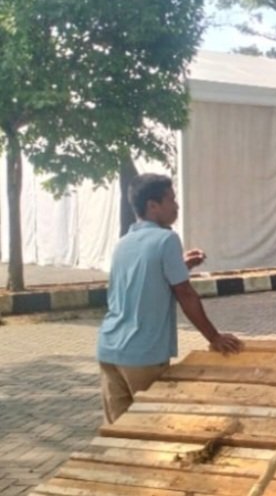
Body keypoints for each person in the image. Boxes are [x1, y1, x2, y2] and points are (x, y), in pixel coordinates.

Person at [97, 174, 244, 423]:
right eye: (171, 200)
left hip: (109, 351)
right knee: (152, 430)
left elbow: (146, 279)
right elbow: (185, 294)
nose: (176, 206)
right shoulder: (167, 239)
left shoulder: (123, 242)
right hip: (143, 355)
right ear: (153, 206)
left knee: (120, 433)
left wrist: (181, 265)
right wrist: (214, 337)